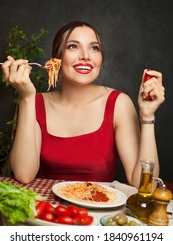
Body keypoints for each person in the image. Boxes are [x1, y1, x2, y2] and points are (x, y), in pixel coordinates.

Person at [2, 20, 165, 187]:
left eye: (94, 48)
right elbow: (23, 174)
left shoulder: (118, 104)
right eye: (73, 46)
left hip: (100, 210)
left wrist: (147, 115)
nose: (86, 55)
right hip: (47, 210)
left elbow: (145, 185)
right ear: (56, 58)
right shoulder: (35, 102)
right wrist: (26, 98)